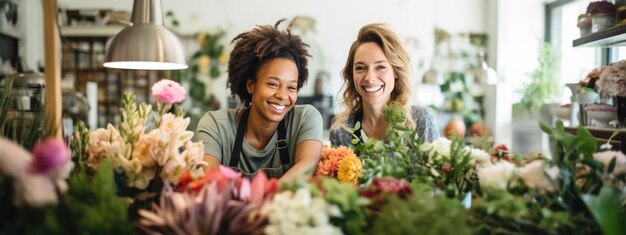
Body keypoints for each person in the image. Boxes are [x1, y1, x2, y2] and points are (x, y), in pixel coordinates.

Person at [196, 19, 323, 180]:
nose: (283, 96)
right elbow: (208, 181)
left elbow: (307, 165)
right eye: (272, 84)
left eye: (291, 87)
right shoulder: (216, 126)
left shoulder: (305, 119)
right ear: (251, 85)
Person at [330, 23, 439, 147]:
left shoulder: (421, 121)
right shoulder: (341, 130)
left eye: (380, 67)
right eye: (360, 68)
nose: (370, 78)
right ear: (351, 74)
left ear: (396, 72)